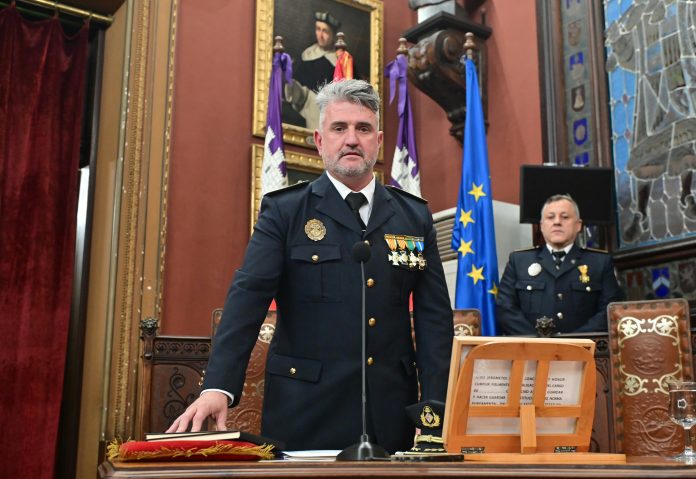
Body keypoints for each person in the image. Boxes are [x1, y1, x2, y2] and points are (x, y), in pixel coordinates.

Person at [167, 79, 454, 453]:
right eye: (339, 128)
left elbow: (434, 321)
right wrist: (218, 386)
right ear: (320, 141)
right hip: (306, 412)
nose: (352, 139)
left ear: (378, 142)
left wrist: (435, 411)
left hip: (391, 415)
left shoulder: (413, 216)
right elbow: (247, 299)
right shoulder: (285, 211)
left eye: (363, 128)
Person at [496, 194, 625, 335]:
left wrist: (572, 345)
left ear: (578, 225)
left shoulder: (599, 262)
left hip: (583, 352)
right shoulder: (519, 261)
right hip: (530, 352)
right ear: (542, 226)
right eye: (550, 217)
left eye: (565, 217)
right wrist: (538, 343)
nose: (557, 222)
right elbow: (505, 309)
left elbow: (610, 310)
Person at [284, 11, 339, 130]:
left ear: (334, 36)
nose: (320, 35)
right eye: (318, 29)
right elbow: (297, 83)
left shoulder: (341, 60)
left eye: (325, 31)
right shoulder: (308, 54)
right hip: (303, 104)